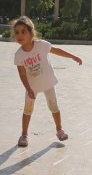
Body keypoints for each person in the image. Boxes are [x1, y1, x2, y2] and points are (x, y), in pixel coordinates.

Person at [12, 16, 82, 147]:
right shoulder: (19, 55)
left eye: (23, 31)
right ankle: (24, 135)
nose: (19, 35)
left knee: (54, 107)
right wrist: (28, 89)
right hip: (32, 87)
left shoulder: (41, 45)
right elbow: (22, 74)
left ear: (31, 33)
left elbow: (57, 51)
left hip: (48, 83)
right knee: (27, 110)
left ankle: (59, 130)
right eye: (16, 32)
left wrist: (73, 56)